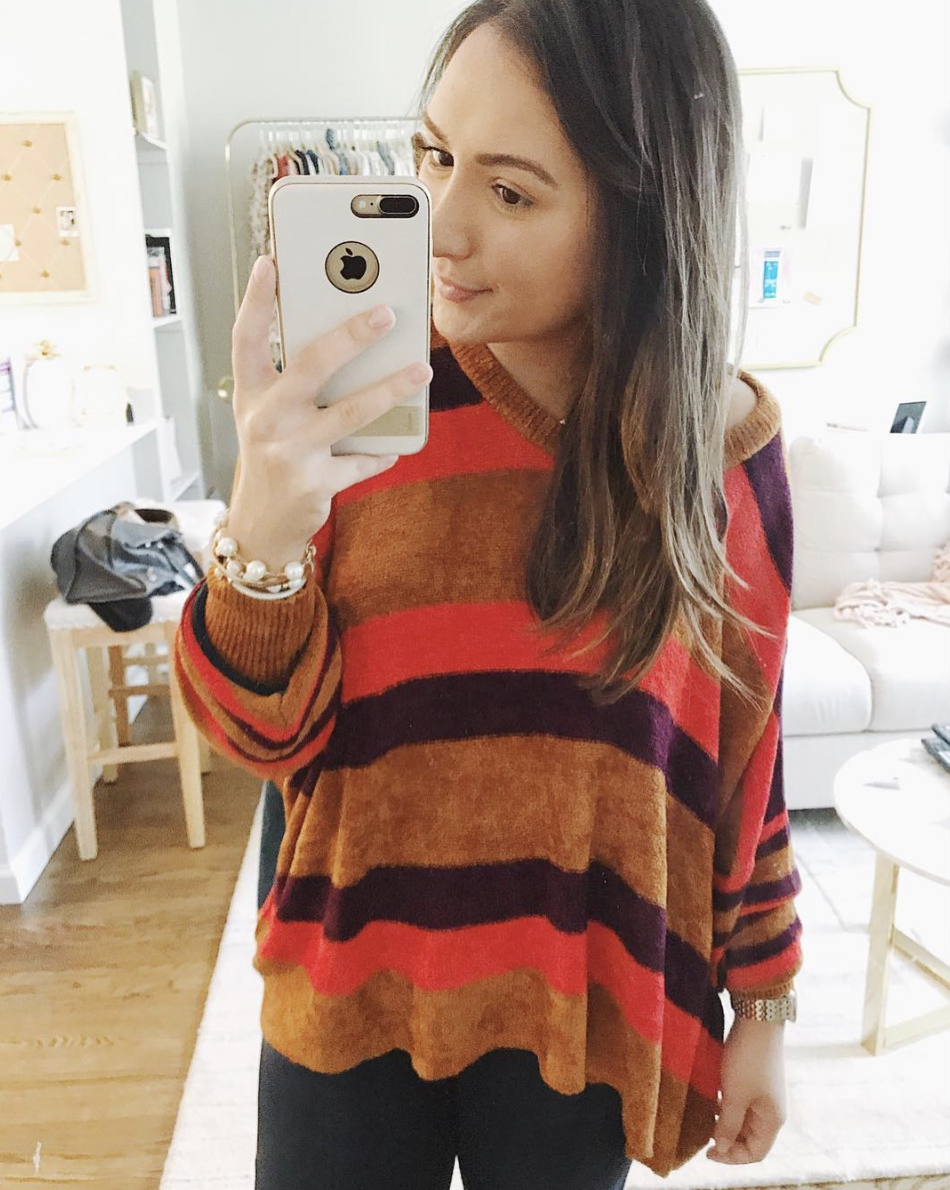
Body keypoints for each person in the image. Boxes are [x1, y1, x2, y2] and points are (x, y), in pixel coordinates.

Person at [174, 1, 804, 1186]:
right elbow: (258, 737)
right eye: (433, 155)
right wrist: (261, 520)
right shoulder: (362, 399)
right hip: (348, 983)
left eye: (509, 191)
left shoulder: (719, 455)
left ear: (642, 211)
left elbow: (742, 755)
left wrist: (763, 1002)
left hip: (582, 994)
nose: (441, 227)